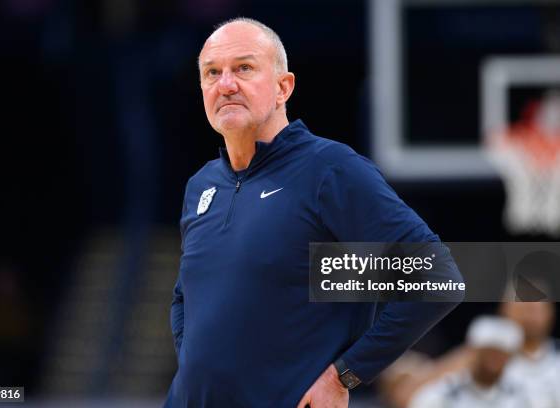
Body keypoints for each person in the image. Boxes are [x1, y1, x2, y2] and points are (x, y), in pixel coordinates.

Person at [165, 17, 462, 407]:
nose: (226, 84)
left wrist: (346, 374)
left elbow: (437, 277)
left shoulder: (329, 170)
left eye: (244, 68)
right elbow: (185, 296)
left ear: (283, 87)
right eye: (212, 73)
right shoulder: (202, 186)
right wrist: (193, 371)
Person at [408, 316, 531, 408]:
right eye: (488, 353)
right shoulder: (441, 395)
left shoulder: (523, 397)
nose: (493, 361)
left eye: (500, 355)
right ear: (472, 352)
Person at [501, 302, 560, 408]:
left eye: (535, 309)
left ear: (551, 313)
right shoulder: (481, 362)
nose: (528, 317)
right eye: (521, 309)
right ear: (504, 311)